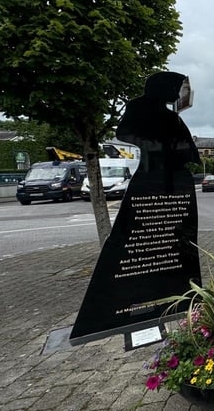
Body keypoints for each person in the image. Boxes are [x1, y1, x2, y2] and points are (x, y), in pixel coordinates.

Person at [71, 72, 201, 343]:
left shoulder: (170, 116)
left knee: (180, 239)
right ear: (162, 88)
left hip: (175, 181)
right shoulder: (141, 109)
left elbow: (185, 150)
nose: (179, 95)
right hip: (153, 178)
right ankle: (129, 303)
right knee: (138, 235)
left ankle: (176, 289)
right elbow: (128, 132)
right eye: (176, 89)